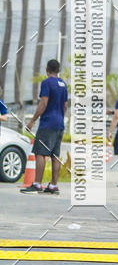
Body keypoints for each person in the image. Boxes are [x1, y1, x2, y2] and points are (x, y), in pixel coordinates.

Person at [21, 59, 68, 195]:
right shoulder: (63, 85)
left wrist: (32, 121)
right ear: (58, 70)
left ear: (47, 69)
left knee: (40, 153)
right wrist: (58, 116)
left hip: (47, 123)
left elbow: (44, 102)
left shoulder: (46, 83)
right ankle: (53, 185)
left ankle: (37, 184)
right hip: (59, 123)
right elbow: (65, 106)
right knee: (55, 155)